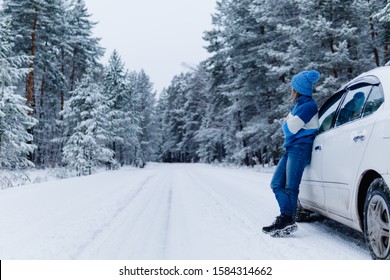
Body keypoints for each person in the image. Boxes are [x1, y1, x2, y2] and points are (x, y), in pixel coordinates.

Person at [262, 69, 320, 237]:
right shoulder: (298, 106)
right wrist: (287, 124)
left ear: (298, 89)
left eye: (293, 87)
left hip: (300, 148)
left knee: (291, 187)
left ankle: (287, 219)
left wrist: (286, 124)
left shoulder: (308, 106)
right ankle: (286, 217)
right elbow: (288, 128)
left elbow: (289, 129)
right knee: (276, 184)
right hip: (291, 148)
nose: (291, 90)